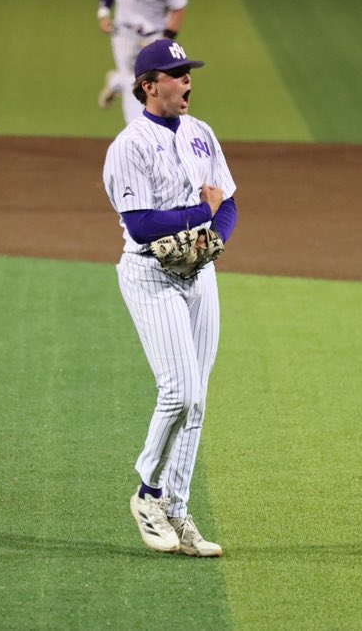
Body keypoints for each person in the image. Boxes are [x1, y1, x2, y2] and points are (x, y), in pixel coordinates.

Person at [101, 39, 238, 557]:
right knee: (179, 392)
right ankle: (146, 494)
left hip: (199, 273)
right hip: (151, 276)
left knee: (198, 398)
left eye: (188, 72)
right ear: (149, 85)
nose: (187, 81)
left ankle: (178, 510)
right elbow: (139, 226)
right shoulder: (129, 145)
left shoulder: (201, 134)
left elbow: (228, 201)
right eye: (177, 73)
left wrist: (214, 237)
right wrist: (201, 215)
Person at [95, 0, 188, 124]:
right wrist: (104, 14)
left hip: (155, 35)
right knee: (133, 80)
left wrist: (164, 40)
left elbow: (179, 8)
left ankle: (115, 81)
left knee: (156, 82)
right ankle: (135, 128)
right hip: (123, 34)